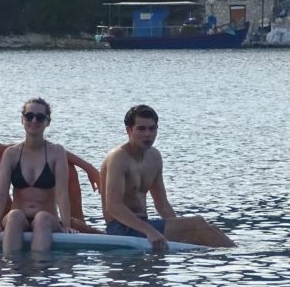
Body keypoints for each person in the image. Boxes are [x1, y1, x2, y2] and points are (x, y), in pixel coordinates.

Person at [100, 104, 235, 252]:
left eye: (152, 129)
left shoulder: (154, 157)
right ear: (129, 130)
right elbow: (113, 206)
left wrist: (181, 230)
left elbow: (162, 205)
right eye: (141, 129)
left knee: (208, 229)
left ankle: (224, 258)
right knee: (198, 224)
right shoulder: (118, 158)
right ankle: (237, 257)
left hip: (144, 224)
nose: (147, 134)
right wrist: (149, 231)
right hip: (121, 229)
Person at [0, 98, 78, 252]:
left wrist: (66, 225)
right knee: (14, 216)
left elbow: (62, 193)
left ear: (47, 122)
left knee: (42, 218)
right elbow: (1, 192)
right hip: (18, 217)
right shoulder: (11, 153)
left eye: (40, 117)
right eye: (29, 116)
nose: (34, 120)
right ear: (22, 119)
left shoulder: (56, 152)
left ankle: (40, 268)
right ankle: (10, 268)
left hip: (47, 218)